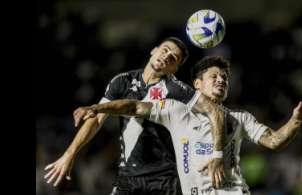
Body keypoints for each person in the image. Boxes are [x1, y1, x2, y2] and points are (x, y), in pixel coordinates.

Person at [71, 56, 302, 195]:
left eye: (225, 77)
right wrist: (98, 107)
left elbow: (275, 140)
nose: (221, 80)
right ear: (197, 85)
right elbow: (134, 107)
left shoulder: (241, 117)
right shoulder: (175, 110)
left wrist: (296, 120)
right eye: (214, 76)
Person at [44, 38, 226, 195]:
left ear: (174, 68)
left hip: (164, 180)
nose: (166, 56)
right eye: (164, 50)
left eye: (173, 58)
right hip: (128, 176)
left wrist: (217, 154)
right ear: (153, 50)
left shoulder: (177, 90)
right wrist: (69, 154)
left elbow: (215, 112)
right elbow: (96, 119)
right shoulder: (122, 81)